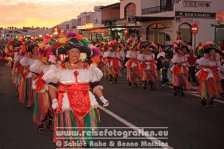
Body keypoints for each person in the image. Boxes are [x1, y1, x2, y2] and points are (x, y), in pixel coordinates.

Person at [43, 37, 109, 147]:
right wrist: (54, 100)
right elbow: (52, 85)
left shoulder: (88, 67)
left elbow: (95, 85)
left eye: (77, 51)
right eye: (72, 51)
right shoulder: (59, 67)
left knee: (85, 128)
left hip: (86, 101)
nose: (75, 53)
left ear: (81, 53)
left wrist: (102, 98)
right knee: (72, 129)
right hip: (67, 102)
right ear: (67, 53)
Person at [196, 42, 223, 107]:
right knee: (205, 87)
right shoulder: (205, 59)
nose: (214, 52)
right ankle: (204, 100)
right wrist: (204, 69)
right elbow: (198, 66)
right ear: (209, 52)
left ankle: (210, 99)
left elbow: (219, 66)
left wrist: (219, 69)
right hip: (206, 74)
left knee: (214, 87)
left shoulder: (216, 59)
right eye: (212, 51)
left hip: (214, 75)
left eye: (214, 51)